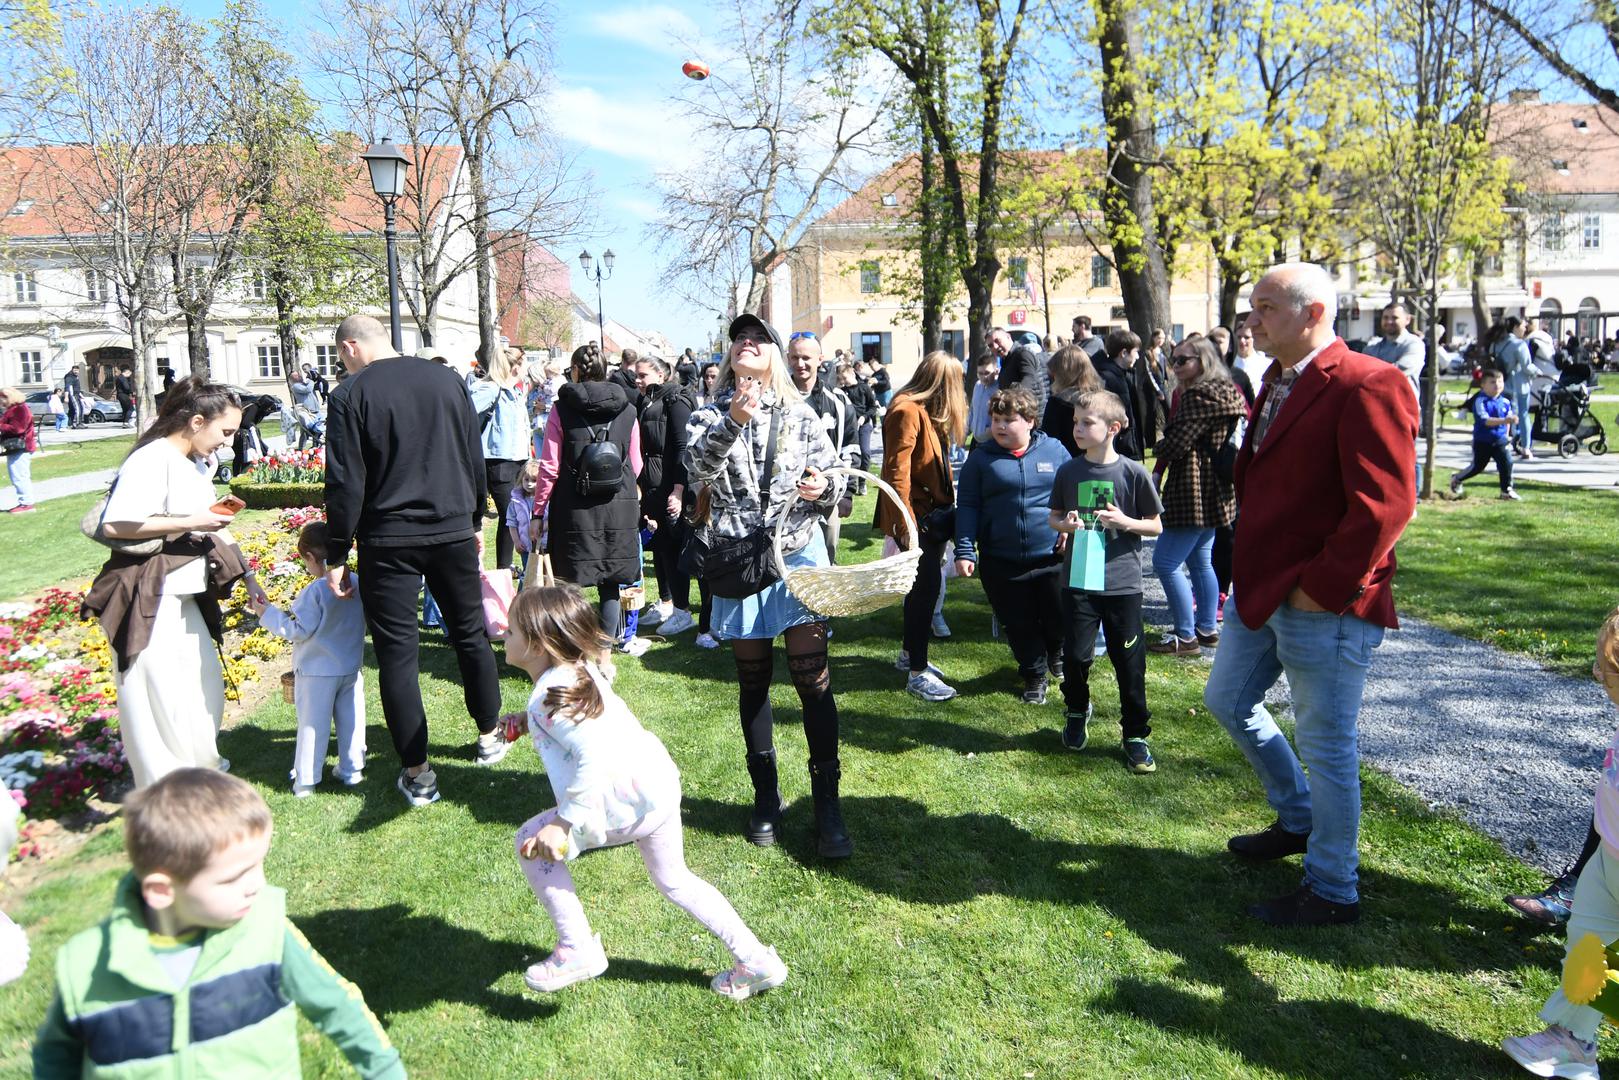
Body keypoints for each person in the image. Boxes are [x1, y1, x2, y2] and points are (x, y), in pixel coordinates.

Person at [1203, 262, 1417, 926]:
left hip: (1319, 603)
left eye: (1265, 307)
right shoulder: (1274, 379)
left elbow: (1385, 506)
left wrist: (1321, 589)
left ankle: (1331, 888)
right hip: (1259, 588)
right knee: (1226, 701)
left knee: (1325, 743)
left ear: (1313, 313)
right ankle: (1296, 818)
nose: (1252, 320)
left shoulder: (1367, 382)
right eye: (1251, 308)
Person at [504, 585, 789, 998]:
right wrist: (524, 721)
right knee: (676, 880)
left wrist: (563, 824)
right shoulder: (576, 672)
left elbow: (593, 754)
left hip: (618, 803)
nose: (502, 635)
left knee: (530, 844)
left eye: (510, 631)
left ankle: (577, 947)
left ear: (536, 644)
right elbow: (583, 725)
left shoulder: (549, 697)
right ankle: (756, 959)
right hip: (655, 789)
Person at [32, 768, 403, 1078]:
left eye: (259, 865)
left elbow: (336, 1003)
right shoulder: (86, 967)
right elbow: (55, 1060)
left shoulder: (267, 930)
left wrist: (384, 1069)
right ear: (162, 890)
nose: (258, 884)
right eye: (232, 878)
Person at [323, 314, 504, 808]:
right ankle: (488, 734)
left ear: (352, 346)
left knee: (399, 654)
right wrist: (474, 517)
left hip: (389, 539)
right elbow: (474, 454)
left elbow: (345, 482)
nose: (342, 361)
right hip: (446, 527)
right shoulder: (446, 379)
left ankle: (419, 770)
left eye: (341, 352)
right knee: (469, 632)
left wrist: (335, 551)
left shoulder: (350, 395)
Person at [686, 313, 847, 855]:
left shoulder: (800, 414)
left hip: (796, 551)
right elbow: (696, 469)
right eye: (738, 339)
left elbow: (836, 481)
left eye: (757, 339)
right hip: (737, 560)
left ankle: (828, 803)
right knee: (753, 679)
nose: (746, 344)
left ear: (773, 355)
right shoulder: (707, 415)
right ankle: (765, 797)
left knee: (812, 676)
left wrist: (821, 487)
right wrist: (732, 420)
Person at [83, 379, 268, 787]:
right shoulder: (152, 459)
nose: (227, 442)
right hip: (152, 594)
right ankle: (168, 783)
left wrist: (249, 576)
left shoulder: (197, 464)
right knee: (159, 696)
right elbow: (117, 522)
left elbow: (217, 526)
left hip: (185, 596)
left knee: (200, 687)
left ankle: (200, 768)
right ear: (196, 421)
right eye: (225, 432)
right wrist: (192, 522)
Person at [1501, 605, 1619, 1079]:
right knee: (1587, 945)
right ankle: (1573, 1042)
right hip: (1609, 859)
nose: (1599, 677)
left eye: (1607, 669)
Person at [1050, 389, 1163, 771]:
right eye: (1075, 422)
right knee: (1077, 657)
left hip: (1122, 584)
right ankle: (1077, 708)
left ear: (1113, 428)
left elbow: (1156, 525)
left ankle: (1134, 734)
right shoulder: (1069, 471)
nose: (1077, 429)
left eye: (1086, 423)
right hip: (1079, 578)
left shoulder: (1133, 472)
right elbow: (1055, 515)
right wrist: (1065, 524)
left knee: (1129, 663)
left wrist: (1126, 522)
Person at [954, 387, 1071, 704]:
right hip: (1001, 559)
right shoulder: (981, 458)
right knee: (1018, 622)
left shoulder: (1056, 451)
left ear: (1031, 421)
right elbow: (967, 506)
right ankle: (1033, 674)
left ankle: (1056, 651)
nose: (1000, 426)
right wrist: (964, 550)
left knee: (1058, 614)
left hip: (1051, 556)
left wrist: (1072, 527)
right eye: (995, 420)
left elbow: (1076, 489)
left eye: (1009, 419)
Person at [530, 345, 646, 655]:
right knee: (611, 580)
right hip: (617, 503)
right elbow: (636, 464)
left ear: (576, 371)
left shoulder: (561, 408)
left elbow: (550, 466)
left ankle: (573, 649)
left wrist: (537, 512)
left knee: (570, 584)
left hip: (574, 504)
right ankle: (605, 655)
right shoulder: (629, 409)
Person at [248, 522, 367, 797]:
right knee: (352, 719)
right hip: (350, 667)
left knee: (313, 724)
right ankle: (352, 769)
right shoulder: (358, 582)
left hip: (316, 672)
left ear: (312, 558)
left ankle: (306, 779)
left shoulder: (315, 591)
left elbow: (297, 630)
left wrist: (266, 612)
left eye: (306, 562)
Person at [1148, 334, 1247, 656]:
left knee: (1165, 562)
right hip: (1216, 488)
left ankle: (1186, 636)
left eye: (1183, 360)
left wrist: (1158, 447)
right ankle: (1206, 629)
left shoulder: (1197, 396)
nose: (1175, 366)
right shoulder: (1226, 391)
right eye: (1173, 360)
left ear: (1203, 361)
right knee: (1202, 562)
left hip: (1193, 487)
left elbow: (1176, 444)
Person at [880, 350, 967, 702]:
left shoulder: (923, 411)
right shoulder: (906, 411)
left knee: (923, 592)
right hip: (918, 521)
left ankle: (909, 656)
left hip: (927, 518)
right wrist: (907, 528)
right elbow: (896, 473)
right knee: (924, 592)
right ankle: (917, 671)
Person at [633, 354, 697, 634]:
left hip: (670, 484)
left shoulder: (676, 401)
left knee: (672, 548)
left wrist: (679, 490)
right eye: (636, 375)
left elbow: (682, 447)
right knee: (659, 547)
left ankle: (683, 611)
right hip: (652, 485)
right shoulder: (647, 401)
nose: (638, 380)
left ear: (661, 375)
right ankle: (667, 601)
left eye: (643, 375)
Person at [787, 332, 859, 563]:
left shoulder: (838, 401)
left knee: (825, 559)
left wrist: (847, 493)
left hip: (828, 495)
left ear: (820, 359)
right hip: (787, 496)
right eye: (795, 357)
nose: (800, 364)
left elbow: (850, 446)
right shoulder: (777, 398)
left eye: (806, 358)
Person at [468, 346, 532, 571]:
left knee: (512, 516)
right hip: (497, 463)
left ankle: (505, 570)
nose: (527, 369)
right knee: (508, 516)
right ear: (515, 367)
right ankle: (501, 570)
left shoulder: (514, 391)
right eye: (524, 364)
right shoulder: (489, 389)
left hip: (517, 462)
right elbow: (463, 417)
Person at [1448, 367, 1520, 500]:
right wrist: (1505, 420)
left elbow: (1508, 420)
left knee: (1506, 463)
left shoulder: (1505, 401)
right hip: (1483, 440)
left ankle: (1506, 490)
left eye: (1500, 381)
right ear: (1483, 385)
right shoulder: (1480, 401)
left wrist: (1507, 435)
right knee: (1478, 466)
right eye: (1492, 382)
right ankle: (1457, 478)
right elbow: (1485, 421)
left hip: (1500, 440)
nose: (1497, 385)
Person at [1040, 344, 1105, 457]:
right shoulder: (1103, 398)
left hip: (1067, 462)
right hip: (1099, 459)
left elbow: (1049, 439)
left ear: (1062, 375)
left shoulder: (1057, 403)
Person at [1488, 315, 1537, 459]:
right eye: (1522, 325)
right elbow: (1527, 367)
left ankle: (1501, 443)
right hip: (1519, 385)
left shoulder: (1496, 343)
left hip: (1501, 384)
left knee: (1501, 415)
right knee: (1522, 415)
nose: (1525, 328)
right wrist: (1537, 372)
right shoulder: (1519, 345)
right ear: (1515, 327)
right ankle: (1526, 447)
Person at [1093, 329, 1143, 459]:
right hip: (1115, 442)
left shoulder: (1126, 375)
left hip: (1125, 440)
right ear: (1124, 353)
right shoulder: (1106, 377)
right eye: (1136, 352)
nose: (1138, 357)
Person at [989, 327, 1049, 418]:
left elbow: (1029, 381)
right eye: (991, 345)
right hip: (1017, 414)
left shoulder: (1023, 353)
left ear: (1008, 337)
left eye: (997, 341)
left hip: (1030, 415)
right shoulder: (1007, 359)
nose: (995, 347)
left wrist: (1009, 400)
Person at [836, 358, 878, 477]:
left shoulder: (864, 388)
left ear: (852, 374)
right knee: (850, 454)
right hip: (849, 427)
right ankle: (850, 479)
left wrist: (864, 417)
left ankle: (863, 480)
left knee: (865, 452)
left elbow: (873, 407)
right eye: (841, 379)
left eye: (845, 378)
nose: (844, 381)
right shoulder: (841, 391)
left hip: (863, 425)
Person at [0, 387, 37, 513]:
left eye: (3, 398)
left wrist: (1, 425)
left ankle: (26, 503)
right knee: (19, 475)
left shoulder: (19, 409)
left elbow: (18, 429)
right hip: (18, 447)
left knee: (19, 476)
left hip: (21, 447)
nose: (1, 401)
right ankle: (26, 502)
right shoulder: (15, 409)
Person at [507, 458, 540, 579]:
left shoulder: (546, 501)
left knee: (544, 575)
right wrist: (516, 541)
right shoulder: (516, 502)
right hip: (526, 547)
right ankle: (523, 597)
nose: (529, 483)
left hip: (545, 546)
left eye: (534, 480)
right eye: (526, 480)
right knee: (528, 575)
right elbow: (512, 523)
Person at [967, 353, 1000, 443]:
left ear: (996, 371)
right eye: (980, 373)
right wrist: (967, 431)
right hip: (976, 438)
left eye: (987, 373)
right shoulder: (977, 386)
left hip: (991, 441)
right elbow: (972, 410)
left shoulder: (999, 388)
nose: (984, 377)